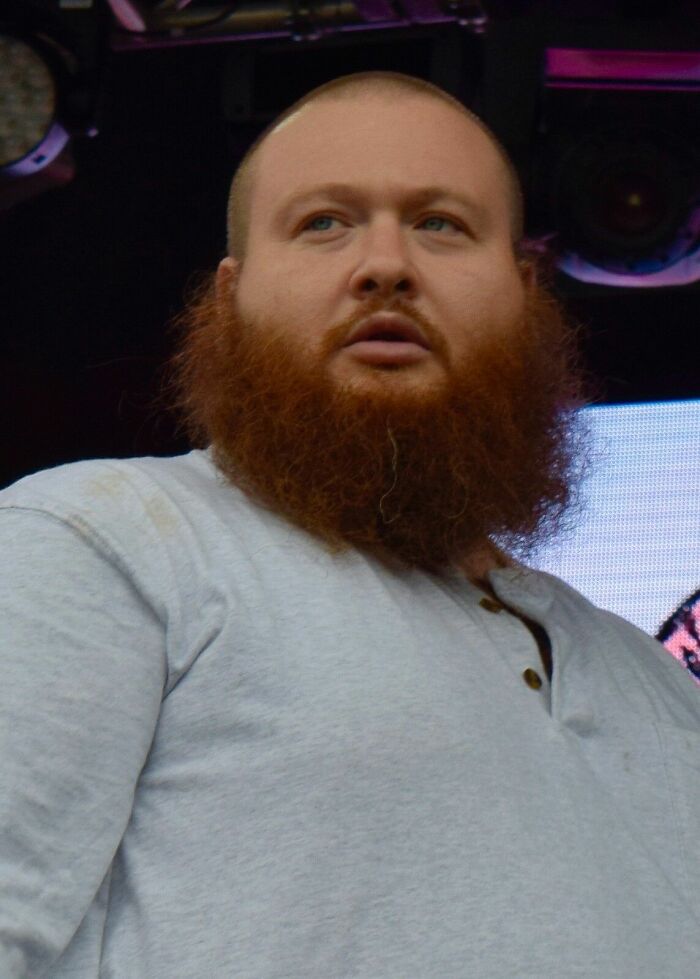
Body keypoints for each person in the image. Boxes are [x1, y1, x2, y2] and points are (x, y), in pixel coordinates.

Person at [1, 70, 698, 979]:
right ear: (230, 296)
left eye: (441, 223)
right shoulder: (99, 541)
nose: (386, 265)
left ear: (526, 293)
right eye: (322, 222)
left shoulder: (660, 686)